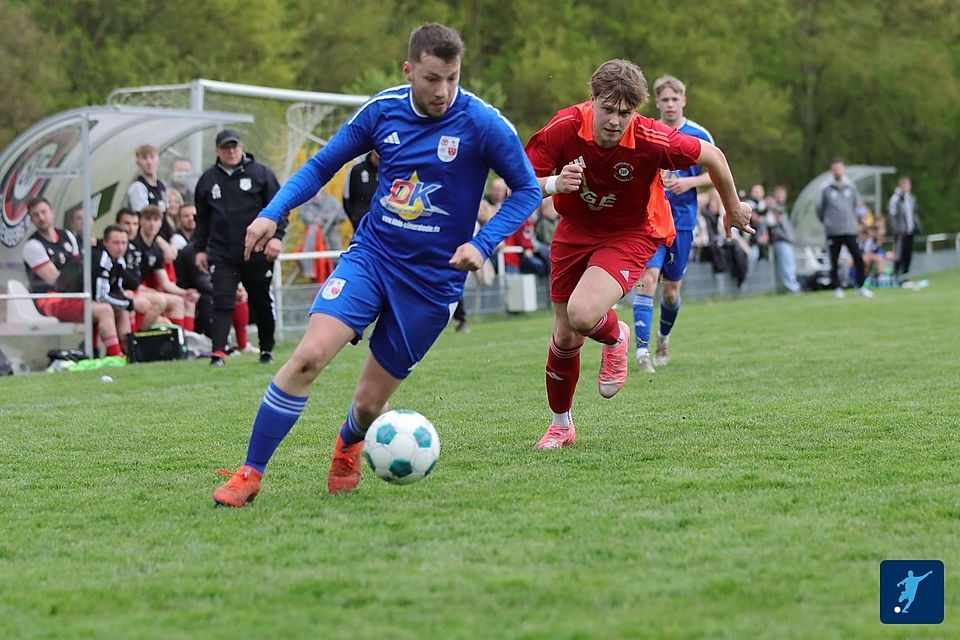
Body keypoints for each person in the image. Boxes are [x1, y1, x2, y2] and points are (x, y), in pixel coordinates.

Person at [212, 22, 541, 507]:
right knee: (307, 357)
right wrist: (271, 212)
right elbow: (321, 166)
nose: (443, 91)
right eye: (431, 78)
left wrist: (484, 242)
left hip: (434, 283)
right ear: (409, 70)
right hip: (374, 258)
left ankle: (348, 442)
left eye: (452, 77)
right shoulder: (382, 111)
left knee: (368, 404)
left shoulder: (484, 124)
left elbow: (527, 190)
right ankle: (250, 472)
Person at [524, 59, 753, 449]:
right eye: (608, 109)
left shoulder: (651, 137)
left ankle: (616, 337)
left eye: (625, 113)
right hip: (575, 229)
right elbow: (521, 181)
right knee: (564, 335)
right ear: (592, 99)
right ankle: (561, 425)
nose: (615, 121)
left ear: (637, 110)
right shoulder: (563, 128)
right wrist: (553, 184)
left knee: (582, 314)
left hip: (631, 232)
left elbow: (713, 156)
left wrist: (732, 207)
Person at [630, 75, 717, 373]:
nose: (669, 104)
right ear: (657, 102)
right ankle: (641, 353)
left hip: (681, 222)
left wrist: (689, 181)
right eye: (664, 100)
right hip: (649, 221)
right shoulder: (646, 132)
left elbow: (716, 171)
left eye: (674, 99)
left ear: (683, 100)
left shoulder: (698, 134)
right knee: (647, 280)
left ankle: (662, 338)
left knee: (670, 290)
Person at [193, 127, 284, 366]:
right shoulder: (207, 180)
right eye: (226, 147)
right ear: (217, 151)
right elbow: (202, 219)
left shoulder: (261, 174)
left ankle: (266, 349)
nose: (231, 151)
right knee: (222, 299)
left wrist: (277, 238)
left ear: (241, 147)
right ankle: (218, 353)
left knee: (260, 300)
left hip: (257, 251)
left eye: (234, 146)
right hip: (222, 252)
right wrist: (199, 249)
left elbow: (280, 208)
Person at [21, 197, 127, 356]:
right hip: (50, 299)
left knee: (122, 307)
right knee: (104, 309)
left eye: (43, 212)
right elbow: (59, 282)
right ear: (31, 220)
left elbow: (81, 269)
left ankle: (126, 352)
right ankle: (117, 357)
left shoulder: (68, 236)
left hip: (73, 295)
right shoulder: (33, 246)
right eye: (35, 215)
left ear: (52, 213)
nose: (41, 217)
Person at [815, 159, 873, 298]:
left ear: (843, 169)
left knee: (858, 258)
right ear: (831, 170)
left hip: (850, 229)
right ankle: (837, 288)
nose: (837, 171)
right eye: (835, 169)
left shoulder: (850, 186)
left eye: (839, 169)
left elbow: (856, 205)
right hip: (833, 231)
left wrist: (858, 221)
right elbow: (819, 209)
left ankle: (861, 286)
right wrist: (829, 223)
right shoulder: (825, 188)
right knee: (834, 260)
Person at [888, 175, 921, 282]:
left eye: (907, 184)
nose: (906, 186)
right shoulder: (896, 198)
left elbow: (914, 214)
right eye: (904, 184)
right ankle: (896, 276)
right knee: (899, 254)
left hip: (910, 231)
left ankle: (905, 276)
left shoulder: (911, 198)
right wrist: (896, 230)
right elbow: (892, 214)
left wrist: (917, 225)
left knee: (908, 254)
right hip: (900, 232)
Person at [342, 150, 379, 231]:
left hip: (380, 228)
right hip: (360, 226)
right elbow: (347, 197)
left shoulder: (388, 173)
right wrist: (355, 219)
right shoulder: (357, 169)